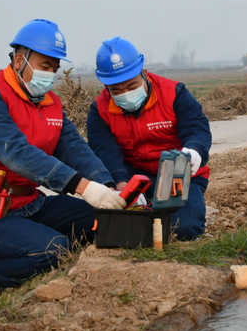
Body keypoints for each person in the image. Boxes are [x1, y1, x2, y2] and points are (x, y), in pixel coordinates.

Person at [0, 19, 126, 304]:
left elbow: (75, 149)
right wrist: (83, 188)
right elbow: (17, 154)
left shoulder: (50, 103)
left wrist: (107, 188)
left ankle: (23, 246)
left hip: (29, 204)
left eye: (54, 69)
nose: (51, 75)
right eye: (44, 67)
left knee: (103, 222)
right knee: (54, 250)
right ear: (19, 61)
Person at [86, 37, 211, 240]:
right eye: (116, 90)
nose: (125, 94)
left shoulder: (174, 94)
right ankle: (147, 204)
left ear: (143, 72)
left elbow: (196, 128)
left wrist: (194, 151)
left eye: (131, 86)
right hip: (134, 175)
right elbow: (105, 151)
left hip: (177, 172)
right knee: (114, 228)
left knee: (184, 229)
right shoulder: (99, 111)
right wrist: (122, 185)